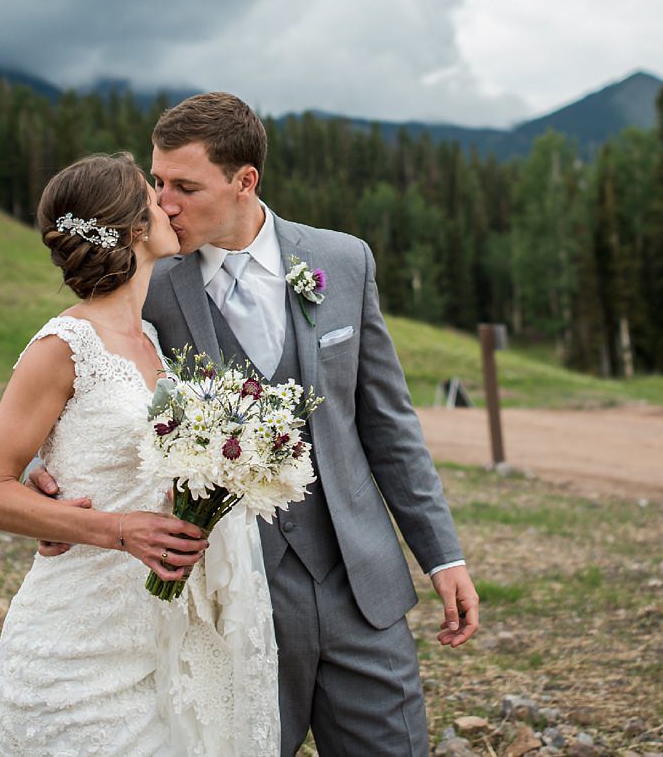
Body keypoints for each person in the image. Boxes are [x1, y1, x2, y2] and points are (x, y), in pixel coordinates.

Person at [31, 91, 479, 754]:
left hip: (362, 589)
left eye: (184, 185)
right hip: (231, 603)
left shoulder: (343, 262)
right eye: (158, 182)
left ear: (245, 183)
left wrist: (442, 554)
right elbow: (88, 378)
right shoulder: (148, 280)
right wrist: (51, 473)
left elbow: (388, 425)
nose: (164, 203)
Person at [0, 152, 279, 754]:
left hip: (157, 641)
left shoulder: (153, 343)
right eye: (153, 193)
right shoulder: (64, 344)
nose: (168, 203)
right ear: (134, 229)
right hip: (78, 648)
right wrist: (115, 529)